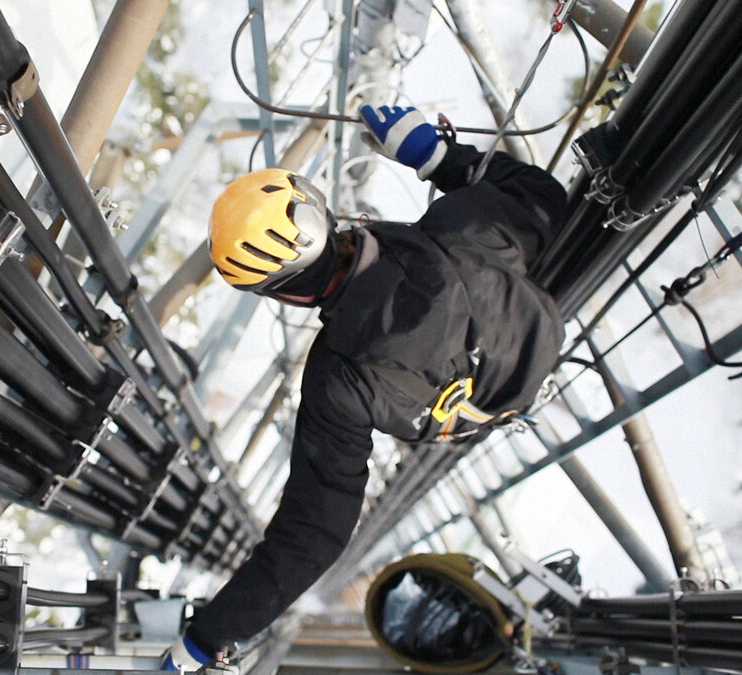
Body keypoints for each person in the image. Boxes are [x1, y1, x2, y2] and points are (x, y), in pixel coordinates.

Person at [161, 104, 567, 670]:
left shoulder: (337, 381)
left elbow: (314, 533)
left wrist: (206, 638)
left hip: (475, 409)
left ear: (285, 293)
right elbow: (544, 198)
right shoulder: (459, 229)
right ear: (325, 218)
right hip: (536, 333)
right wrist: (440, 160)